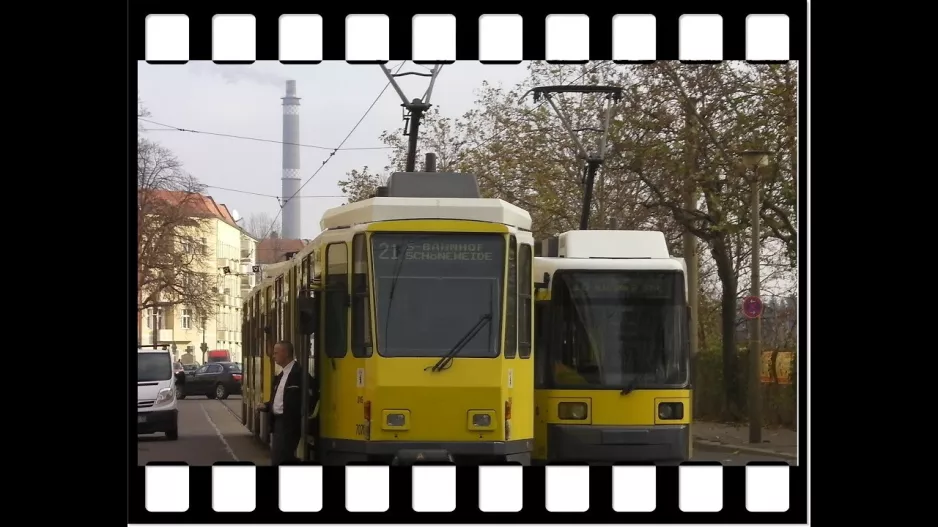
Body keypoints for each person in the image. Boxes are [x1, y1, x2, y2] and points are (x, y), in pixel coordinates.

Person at [259, 341, 318, 465]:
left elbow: (313, 394)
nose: (273, 356)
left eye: (276, 353)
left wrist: (304, 414)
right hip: (278, 423)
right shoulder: (281, 375)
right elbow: (279, 399)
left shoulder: (299, 374)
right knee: (280, 457)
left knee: (280, 459)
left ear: (285, 353)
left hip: (289, 424)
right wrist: (267, 406)